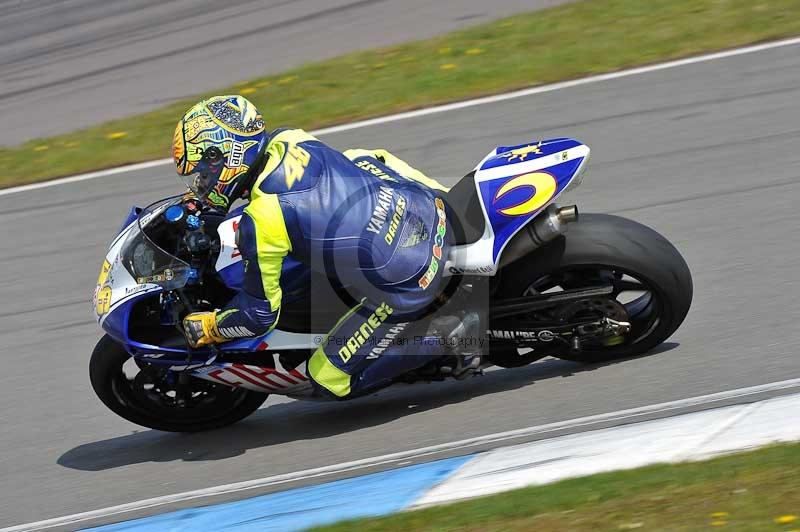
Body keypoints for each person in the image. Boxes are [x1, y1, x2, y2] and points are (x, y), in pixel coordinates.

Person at [174, 95, 480, 399]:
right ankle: (445, 196)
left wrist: (211, 327)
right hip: (425, 207)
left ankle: (447, 336)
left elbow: (259, 316)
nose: (203, 179)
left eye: (205, 168)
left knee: (327, 376)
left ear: (229, 154)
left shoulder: (263, 218)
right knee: (359, 157)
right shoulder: (288, 138)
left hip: (409, 272)